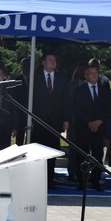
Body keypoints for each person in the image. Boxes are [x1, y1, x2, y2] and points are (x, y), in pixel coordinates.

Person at [32, 51, 70, 189]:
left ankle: (50, 179)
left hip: (55, 121)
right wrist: (29, 119)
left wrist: (66, 119)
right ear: (43, 62)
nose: (53, 62)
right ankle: (37, 180)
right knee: (38, 151)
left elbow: (66, 99)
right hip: (38, 121)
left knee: (52, 150)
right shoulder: (34, 77)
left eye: (54, 60)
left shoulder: (61, 78)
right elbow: (30, 99)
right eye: (50, 60)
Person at [74, 64, 111, 190]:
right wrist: (89, 122)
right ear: (86, 75)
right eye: (91, 73)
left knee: (97, 155)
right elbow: (77, 109)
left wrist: (99, 121)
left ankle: (95, 181)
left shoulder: (105, 90)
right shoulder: (79, 90)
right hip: (83, 128)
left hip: (99, 129)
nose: (94, 75)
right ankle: (82, 182)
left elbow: (109, 109)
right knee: (82, 155)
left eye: (96, 73)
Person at [67, 62, 87, 181]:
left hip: (87, 123)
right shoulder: (70, 86)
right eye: (80, 70)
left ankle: (84, 172)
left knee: (85, 149)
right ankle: (72, 172)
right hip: (73, 121)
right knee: (73, 148)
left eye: (84, 70)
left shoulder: (91, 85)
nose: (82, 73)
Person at [14, 57, 30, 146]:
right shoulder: (17, 80)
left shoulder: (34, 80)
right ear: (22, 67)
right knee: (19, 139)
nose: (27, 68)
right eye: (25, 66)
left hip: (31, 113)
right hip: (20, 114)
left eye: (28, 66)